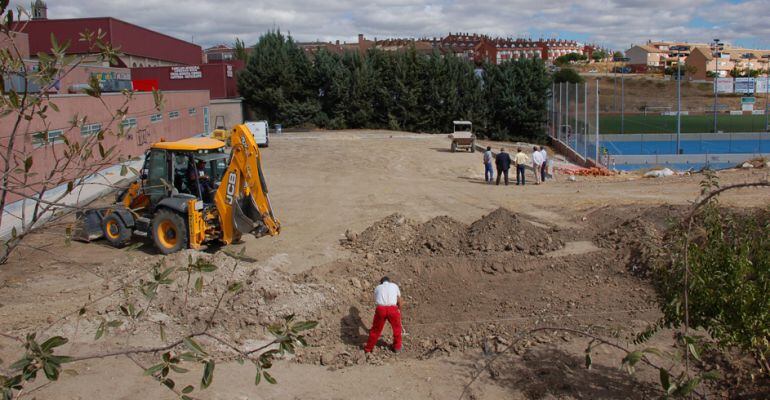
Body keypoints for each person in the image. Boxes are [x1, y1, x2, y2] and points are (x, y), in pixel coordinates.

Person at [364, 276, 403, 353]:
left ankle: (368, 348)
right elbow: (399, 299)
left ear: (381, 282)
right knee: (397, 329)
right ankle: (397, 347)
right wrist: (399, 310)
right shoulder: (394, 286)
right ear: (389, 281)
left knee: (375, 330)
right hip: (393, 309)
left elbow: (376, 299)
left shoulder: (378, 287)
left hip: (381, 309)